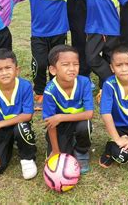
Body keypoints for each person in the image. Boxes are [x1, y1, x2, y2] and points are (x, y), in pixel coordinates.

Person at [0, 0, 83, 110]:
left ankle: (55, 90)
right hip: (38, 34)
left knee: (57, 63)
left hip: (59, 32)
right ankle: (39, 92)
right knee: (40, 63)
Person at [0, 49, 37, 180]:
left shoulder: (25, 86)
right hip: (0, 131)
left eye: (8, 68)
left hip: (19, 125)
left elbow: (27, 115)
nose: (4, 73)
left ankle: (27, 158)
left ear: (17, 70)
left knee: (22, 127)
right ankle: (8, 144)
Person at [42, 45, 94, 174]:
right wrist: (55, 150)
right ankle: (67, 142)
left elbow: (89, 114)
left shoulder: (84, 82)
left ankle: (82, 151)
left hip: (77, 122)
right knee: (62, 155)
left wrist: (60, 117)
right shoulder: (49, 91)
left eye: (75, 64)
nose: (72, 69)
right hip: (59, 127)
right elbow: (50, 123)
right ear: (53, 70)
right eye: (65, 65)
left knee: (85, 126)